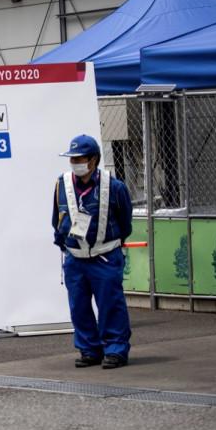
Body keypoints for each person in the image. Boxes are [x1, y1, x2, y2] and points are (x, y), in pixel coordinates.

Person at [52, 134, 133, 370]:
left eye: (80, 158)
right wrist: (64, 246)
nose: (75, 162)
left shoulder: (114, 187)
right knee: (79, 305)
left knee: (110, 304)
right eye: (72, 158)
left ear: (94, 159)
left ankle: (116, 350)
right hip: (75, 259)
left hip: (105, 256)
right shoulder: (61, 184)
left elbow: (125, 223)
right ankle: (89, 349)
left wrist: (112, 245)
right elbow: (56, 219)